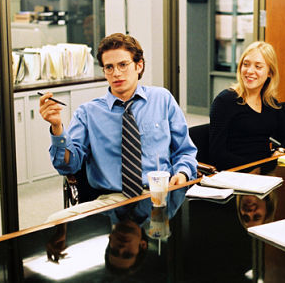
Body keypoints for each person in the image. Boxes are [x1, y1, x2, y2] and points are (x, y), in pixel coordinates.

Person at [40, 33, 197, 217]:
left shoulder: (162, 99)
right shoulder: (88, 112)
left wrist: (183, 173)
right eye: (109, 67)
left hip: (160, 195)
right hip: (112, 201)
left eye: (123, 65)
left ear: (139, 66)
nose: (116, 73)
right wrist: (57, 127)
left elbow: (185, 151)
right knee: (55, 222)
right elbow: (68, 166)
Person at [209, 41, 285, 170]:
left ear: (270, 73)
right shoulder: (225, 101)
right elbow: (217, 154)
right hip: (237, 174)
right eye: (246, 64)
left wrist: (281, 150)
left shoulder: (269, 103)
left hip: (263, 173)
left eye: (258, 66)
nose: (250, 71)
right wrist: (255, 168)